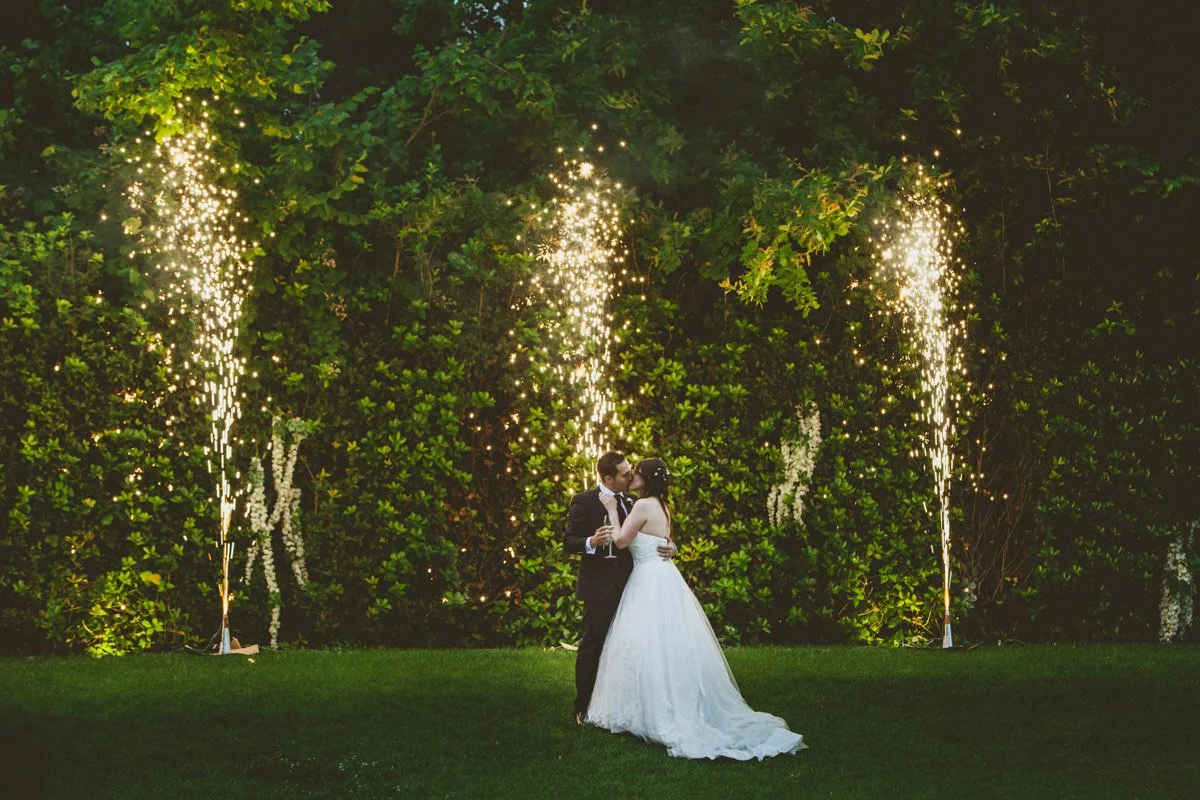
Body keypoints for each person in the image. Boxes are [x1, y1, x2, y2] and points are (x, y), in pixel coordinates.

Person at [586, 458, 806, 760]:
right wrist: (672, 546)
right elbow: (661, 539)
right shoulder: (662, 506)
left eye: (637, 473)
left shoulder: (641, 506)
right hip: (664, 576)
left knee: (646, 642)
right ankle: (656, 703)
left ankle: (651, 709)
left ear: (646, 479)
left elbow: (622, 542)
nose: (633, 476)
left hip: (649, 579)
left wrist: (611, 510)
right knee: (665, 642)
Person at [564, 451, 677, 725]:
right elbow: (569, 541)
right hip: (600, 587)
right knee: (592, 645)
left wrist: (672, 546)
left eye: (632, 472)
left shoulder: (633, 501)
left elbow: (650, 535)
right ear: (608, 478)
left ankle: (628, 703)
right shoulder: (585, 501)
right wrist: (591, 541)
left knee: (632, 647)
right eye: (625, 474)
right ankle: (583, 706)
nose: (630, 476)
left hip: (635, 586)